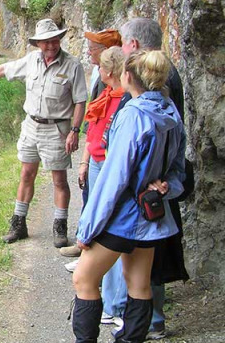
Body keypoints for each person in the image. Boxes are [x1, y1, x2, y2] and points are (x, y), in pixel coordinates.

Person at [71, 49, 186, 343]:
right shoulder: (169, 110)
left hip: (123, 217)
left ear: (128, 76)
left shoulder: (133, 115)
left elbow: (114, 179)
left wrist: (87, 229)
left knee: (83, 279)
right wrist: (165, 188)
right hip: (151, 215)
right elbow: (177, 171)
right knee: (138, 284)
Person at [0, 18, 87, 248]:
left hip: (57, 129)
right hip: (31, 126)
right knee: (26, 174)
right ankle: (18, 225)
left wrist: (75, 131)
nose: (50, 46)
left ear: (59, 40)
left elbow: (80, 101)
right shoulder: (31, 61)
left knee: (59, 179)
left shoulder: (73, 65)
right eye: (45, 42)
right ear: (38, 44)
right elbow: (5, 69)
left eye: (54, 40)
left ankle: (60, 228)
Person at [102, 18, 189, 340]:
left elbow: (155, 141)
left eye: (124, 43)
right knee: (146, 259)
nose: (121, 50)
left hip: (147, 190)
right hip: (154, 186)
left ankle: (146, 321)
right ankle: (144, 320)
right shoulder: (164, 75)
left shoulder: (149, 89)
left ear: (134, 45)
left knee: (146, 257)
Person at [62, 47, 125, 275]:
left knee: (104, 217)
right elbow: (93, 131)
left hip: (108, 165)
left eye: (101, 66)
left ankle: (95, 267)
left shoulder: (124, 100)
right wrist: (84, 162)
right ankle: (88, 260)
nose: (98, 68)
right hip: (96, 161)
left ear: (109, 70)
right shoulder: (106, 93)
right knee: (92, 211)